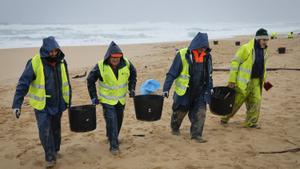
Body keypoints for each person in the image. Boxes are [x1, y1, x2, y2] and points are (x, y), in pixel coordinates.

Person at [12, 36, 71, 168]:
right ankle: (49, 157)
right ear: (45, 50)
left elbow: (67, 82)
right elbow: (23, 84)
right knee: (45, 130)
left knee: (56, 129)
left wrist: (68, 100)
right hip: (42, 105)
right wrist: (17, 104)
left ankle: (55, 150)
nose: (53, 54)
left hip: (58, 103)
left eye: (55, 51)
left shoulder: (62, 61)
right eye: (51, 51)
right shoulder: (34, 62)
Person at [87, 41, 137, 155]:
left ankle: (111, 137)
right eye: (113, 57)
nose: (115, 60)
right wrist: (93, 97)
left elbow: (133, 74)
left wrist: (132, 88)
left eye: (118, 57)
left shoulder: (127, 64)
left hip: (121, 100)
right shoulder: (100, 66)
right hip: (107, 101)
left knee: (118, 121)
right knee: (112, 121)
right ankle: (114, 146)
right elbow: (90, 80)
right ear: (108, 56)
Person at [162, 32, 213, 143]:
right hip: (184, 91)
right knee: (179, 113)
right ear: (196, 44)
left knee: (201, 112)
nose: (202, 49)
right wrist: (166, 88)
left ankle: (196, 135)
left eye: (205, 47)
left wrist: (210, 89)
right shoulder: (182, 54)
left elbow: (209, 75)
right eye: (201, 47)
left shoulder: (208, 57)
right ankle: (175, 128)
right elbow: (172, 73)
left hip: (200, 91)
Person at [221, 28, 269, 128]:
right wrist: (232, 80)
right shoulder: (246, 48)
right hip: (243, 82)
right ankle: (224, 118)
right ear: (258, 39)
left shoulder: (265, 50)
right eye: (264, 40)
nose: (266, 42)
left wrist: (265, 81)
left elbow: (263, 67)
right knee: (236, 103)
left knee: (256, 101)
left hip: (256, 82)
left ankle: (251, 123)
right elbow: (235, 63)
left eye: (267, 40)